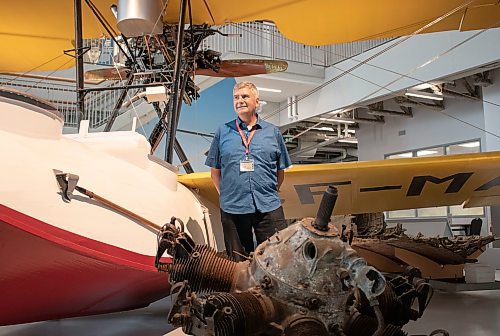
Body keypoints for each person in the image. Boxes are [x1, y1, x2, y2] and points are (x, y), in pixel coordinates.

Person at [205, 81, 292, 261]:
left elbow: (280, 170)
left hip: (268, 207)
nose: (240, 101)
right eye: (236, 98)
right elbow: (215, 171)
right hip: (232, 208)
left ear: (257, 101)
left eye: (245, 96)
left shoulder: (273, 132)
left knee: (278, 259)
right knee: (238, 263)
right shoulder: (223, 132)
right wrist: (226, 194)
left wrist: (270, 192)